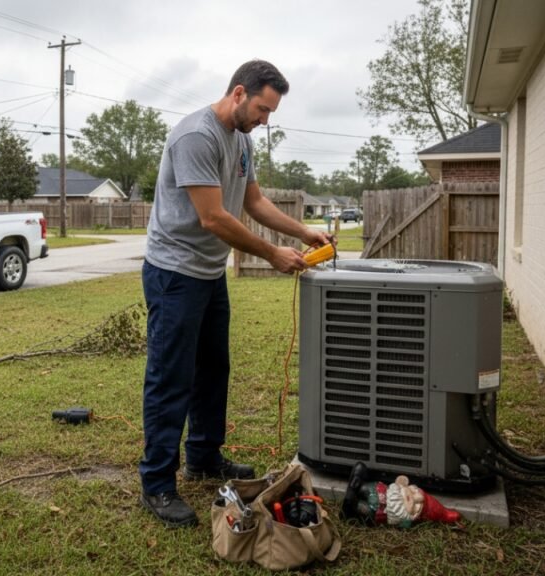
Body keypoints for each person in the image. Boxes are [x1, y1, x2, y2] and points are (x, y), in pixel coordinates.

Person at [140, 59, 333, 528]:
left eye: (271, 113)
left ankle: (203, 457)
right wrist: (271, 254)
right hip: (174, 273)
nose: (266, 121)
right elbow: (213, 218)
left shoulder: (242, 141)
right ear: (240, 93)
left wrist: (302, 232)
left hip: (208, 275)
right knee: (171, 376)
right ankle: (157, 484)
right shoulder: (196, 136)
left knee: (213, 369)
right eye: (264, 109)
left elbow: (253, 202)